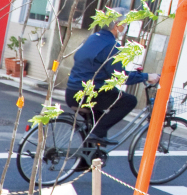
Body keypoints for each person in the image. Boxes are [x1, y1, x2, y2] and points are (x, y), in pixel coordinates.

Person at [66, 11, 159, 144]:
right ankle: (97, 133)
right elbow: (120, 77)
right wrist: (147, 76)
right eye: (125, 24)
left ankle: (86, 162)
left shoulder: (92, 38)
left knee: (95, 128)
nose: (125, 27)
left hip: (71, 92)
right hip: (89, 93)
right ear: (117, 25)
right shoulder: (111, 46)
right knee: (129, 101)